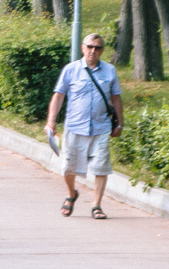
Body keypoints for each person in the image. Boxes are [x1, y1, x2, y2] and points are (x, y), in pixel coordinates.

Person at [45, 33, 125, 219]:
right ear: (83, 48)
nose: (93, 51)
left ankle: (96, 205)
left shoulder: (110, 71)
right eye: (89, 47)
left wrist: (120, 124)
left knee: (100, 167)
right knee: (68, 168)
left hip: (101, 128)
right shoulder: (71, 70)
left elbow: (116, 98)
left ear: (102, 51)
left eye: (97, 48)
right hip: (75, 127)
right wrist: (51, 121)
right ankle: (71, 193)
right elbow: (58, 96)